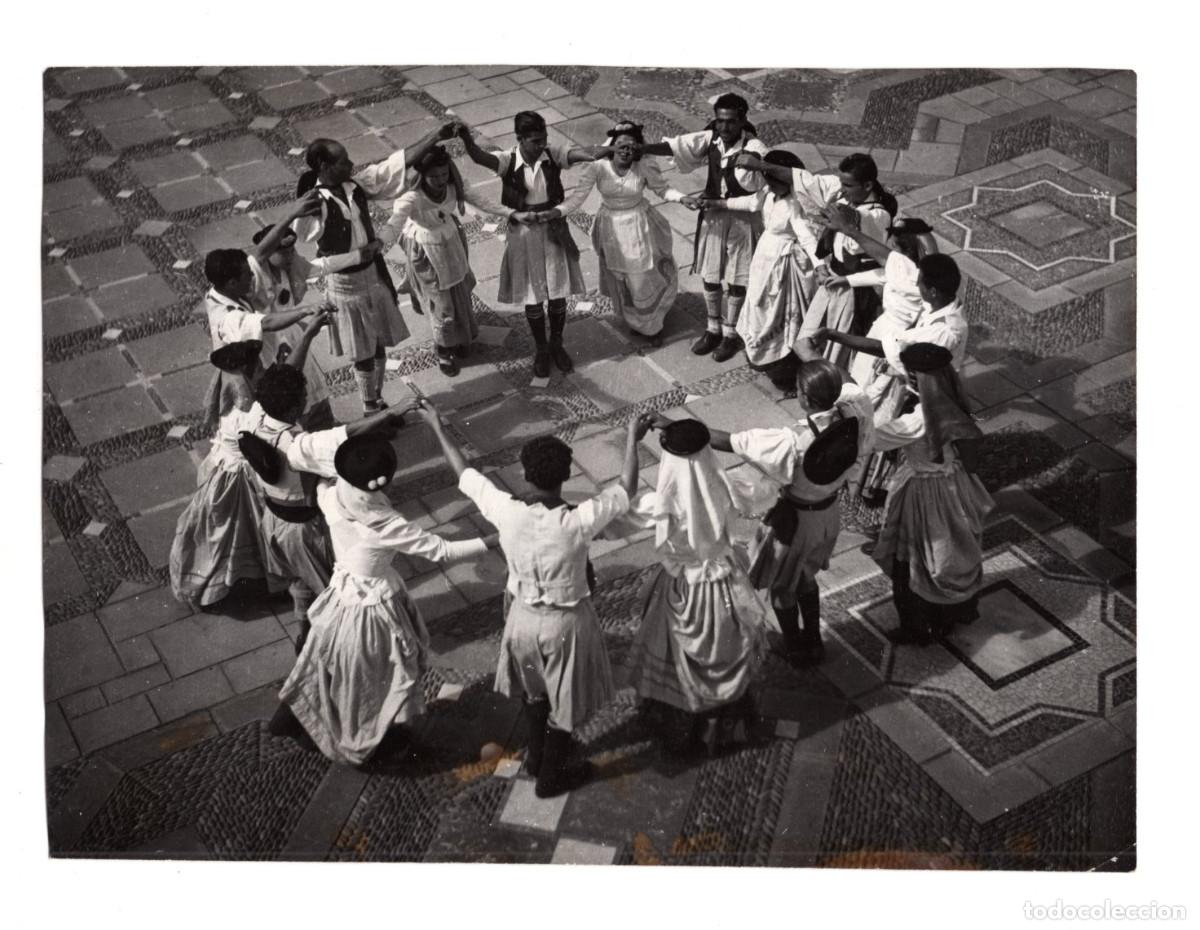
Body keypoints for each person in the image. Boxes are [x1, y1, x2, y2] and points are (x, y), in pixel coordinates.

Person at [423, 402, 642, 798]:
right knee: (565, 701)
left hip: (521, 619)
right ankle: (550, 777)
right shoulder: (579, 520)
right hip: (566, 624)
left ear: (524, 475)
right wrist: (631, 438)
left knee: (534, 692)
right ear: (566, 476)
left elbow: (465, 473)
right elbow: (626, 488)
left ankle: (538, 756)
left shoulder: (506, 513)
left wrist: (438, 425)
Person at [272, 433, 499, 765]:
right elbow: (440, 549)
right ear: (382, 481)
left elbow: (321, 487)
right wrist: (493, 540)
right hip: (371, 610)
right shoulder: (385, 524)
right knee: (379, 677)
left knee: (326, 660)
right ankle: (368, 738)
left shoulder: (333, 494)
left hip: (340, 597)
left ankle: (294, 716)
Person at [236, 318, 412, 654]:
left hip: (274, 524)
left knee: (301, 582)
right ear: (294, 407)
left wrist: (309, 334)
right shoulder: (298, 445)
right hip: (305, 531)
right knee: (337, 591)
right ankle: (331, 649)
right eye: (302, 395)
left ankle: (304, 632)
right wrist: (397, 410)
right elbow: (347, 434)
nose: (306, 396)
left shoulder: (257, 413)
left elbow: (287, 373)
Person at [690, 360, 875, 665]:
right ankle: (814, 640)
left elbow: (731, 442)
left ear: (804, 398)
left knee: (781, 588)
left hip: (797, 522)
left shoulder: (793, 442)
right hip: (828, 515)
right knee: (805, 577)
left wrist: (677, 427)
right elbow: (852, 384)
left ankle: (796, 649)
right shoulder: (855, 416)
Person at [607, 416, 768, 754]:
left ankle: (685, 728)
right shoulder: (731, 486)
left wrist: (631, 443)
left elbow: (614, 516)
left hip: (683, 590)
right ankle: (721, 724)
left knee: (679, 658)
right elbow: (771, 480)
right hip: (726, 586)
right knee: (724, 653)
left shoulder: (661, 506)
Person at [292, 123, 459, 413]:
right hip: (345, 285)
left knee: (379, 342)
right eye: (343, 161)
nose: (351, 164)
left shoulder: (355, 186)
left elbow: (395, 164)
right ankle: (370, 406)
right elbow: (303, 235)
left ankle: (378, 399)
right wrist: (305, 207)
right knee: (362, 351)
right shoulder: (314, 203)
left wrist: (436, 136)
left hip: (373, 275)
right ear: (323, 166)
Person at [456, 113, 597, 378]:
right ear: (519, 139)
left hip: (553, 229)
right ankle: (541, 349)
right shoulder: (507, 161)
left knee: (556, 290)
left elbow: (581, 154)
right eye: (534, 141)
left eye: (544, 138)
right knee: (533, 295)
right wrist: (466, 137)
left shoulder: (552, 155)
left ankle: (557, 344)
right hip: (523, 233)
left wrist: (603, 151)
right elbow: (478, 157)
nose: (541, 144)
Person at [871, 343, 994, 645]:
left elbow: (871, 439)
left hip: (923, 494)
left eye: (911, 376)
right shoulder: (953, 406)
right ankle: (949, 615)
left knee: (912, 563)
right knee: (950, 555)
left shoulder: (916, 421)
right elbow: (972, 459)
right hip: (955, 488)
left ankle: (916, 628)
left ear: (918, 380)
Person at [735, 150, 897, 370]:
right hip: (832, 281)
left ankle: (833, 386)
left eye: (847, 185)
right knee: (808, 338)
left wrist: (846, 226)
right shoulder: (843, 193)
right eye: (841, 183)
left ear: (867, 186)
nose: (841, 189)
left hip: (855, 292)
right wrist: (762, 166)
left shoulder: (877, 216)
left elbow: (878, 254)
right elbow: (803, 178)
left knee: (840, 348)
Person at [639, 93, 769, 362]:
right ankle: (712, 329)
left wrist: (722, 203)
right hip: (714, 217)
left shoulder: (757, 149)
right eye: (719, 121)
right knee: (710, 273)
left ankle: (731, 334)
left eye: (731, 122)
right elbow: (677, 147)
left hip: (743, 221)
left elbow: (759, 200)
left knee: (737, 277)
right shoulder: (711, 138)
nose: (724, 128)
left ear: (743, 120)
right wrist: (640, 149)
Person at [245, 209, 382, 430]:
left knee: (311, 384)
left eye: (292, 251)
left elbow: (321, 266)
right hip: (268, 345)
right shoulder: (254, 279)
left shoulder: (291, 268)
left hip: (293, 337)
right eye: (284, 252)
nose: (290, 257)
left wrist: (357, 256)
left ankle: (323, 426)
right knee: (282, 393)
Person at [701, 149, 821, 394]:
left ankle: (786, 372)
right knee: (756, 307)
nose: (770, 185)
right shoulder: (768, 193)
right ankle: (763, 355)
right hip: (764, 259)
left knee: (780, 315)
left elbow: (807, 238)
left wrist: (820, 267)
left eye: (775, 180)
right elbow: (751, 202)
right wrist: (715, 204)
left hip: (783, 267)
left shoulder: (795, 204)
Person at [383, 146, 507, 377]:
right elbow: (395, 223)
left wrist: (511, 213)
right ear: (422, 175)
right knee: (441, 303)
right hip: (426, 252)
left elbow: (482, 202)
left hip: (451, 241)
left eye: (444, 174)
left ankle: (458, 337)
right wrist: (377, 244)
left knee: (459, 289)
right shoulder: (412, 197)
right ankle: (443, 349)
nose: (440, 180)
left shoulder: (453, 187)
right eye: (434, 176)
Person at [169, 340, 273, 608]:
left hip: (223, 469)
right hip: (240, 479)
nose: (262, 372)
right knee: (245, 530)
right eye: (258, 369)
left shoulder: (227, 395)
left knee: (227, 534)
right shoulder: (246, 413)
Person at [567, 121, 684, 345]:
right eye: (620, 145)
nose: (626, 150)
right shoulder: (598, 166)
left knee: (642, 279)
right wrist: (557, 211)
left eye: (631, 146)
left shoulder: (644, 165)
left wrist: (683, 198)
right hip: (610, 226)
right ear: (611, 146)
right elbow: (578, 195)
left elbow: (662, 189)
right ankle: (636, 322)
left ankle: (652, 326)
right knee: (623, 279)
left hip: (640, 224)